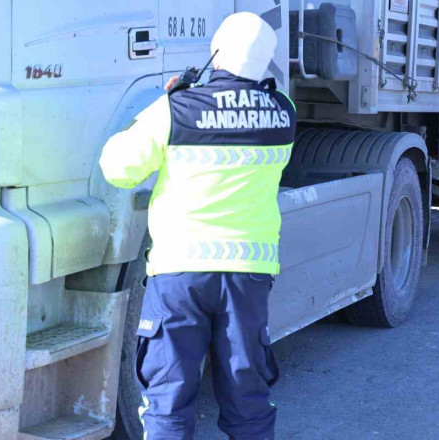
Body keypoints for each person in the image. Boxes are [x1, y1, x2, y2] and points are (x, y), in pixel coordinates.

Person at [99, 12, 295, 440]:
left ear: (216, 53)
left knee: (169, 401)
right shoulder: (284, 113)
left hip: (179, 274)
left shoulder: (177, 109)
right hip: (247, 275)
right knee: (248, 399)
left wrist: (166, 101)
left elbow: (117, 168)